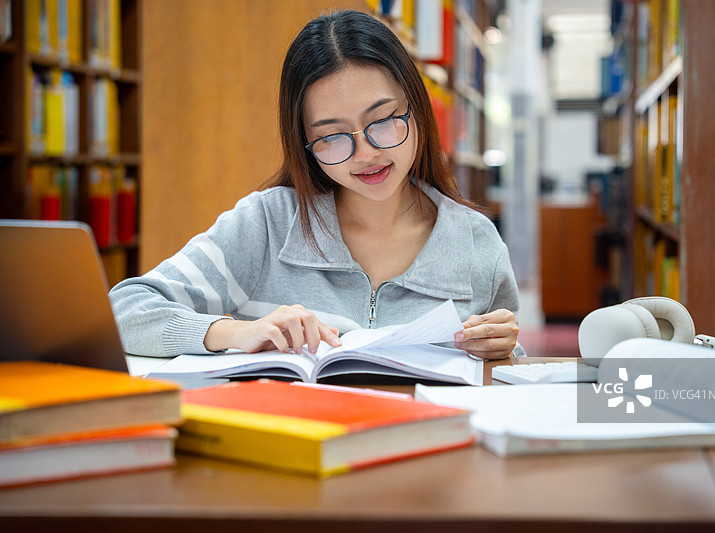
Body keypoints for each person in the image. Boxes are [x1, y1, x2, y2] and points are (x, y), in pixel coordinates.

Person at [110, 9, 521, 361]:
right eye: (332, 135)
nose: (365, 153)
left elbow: (508, 373)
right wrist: (236, 333)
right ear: (305, 143)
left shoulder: (475, 243)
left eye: (382, 120)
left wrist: (502, 350)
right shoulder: (268, 225)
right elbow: (123, 311)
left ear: (417, 108)